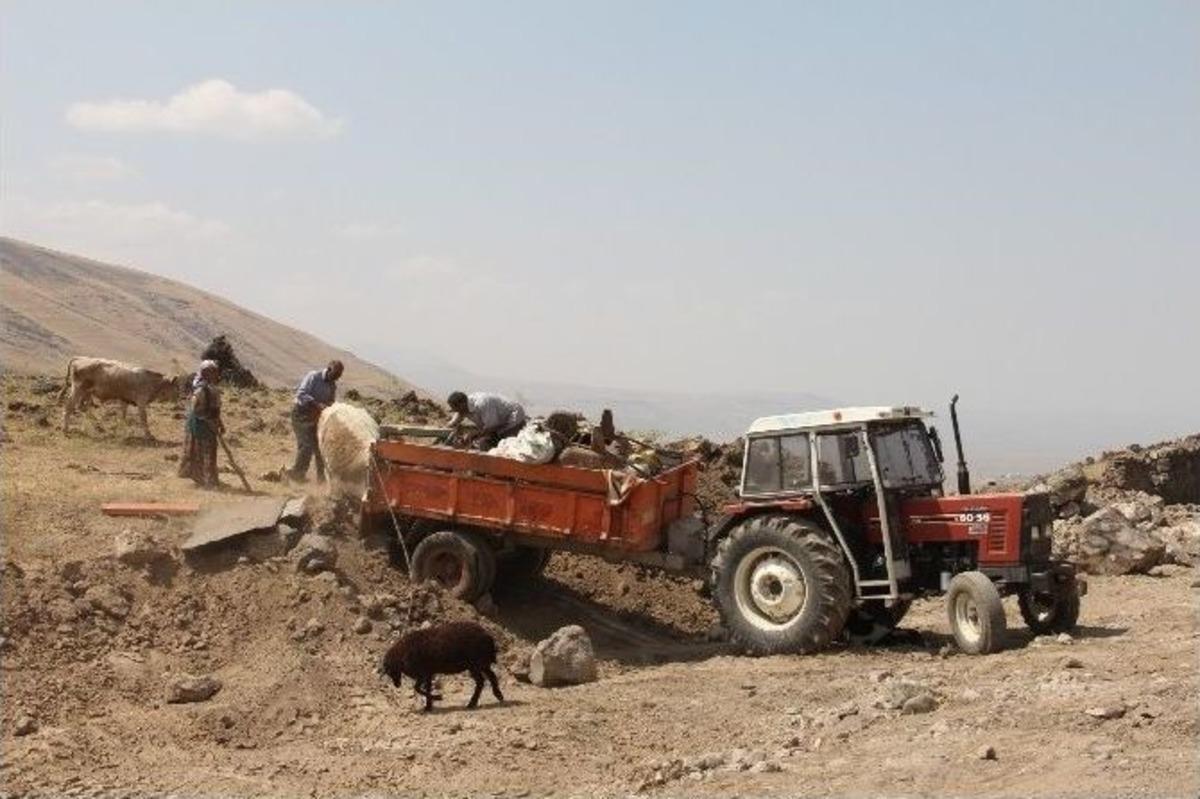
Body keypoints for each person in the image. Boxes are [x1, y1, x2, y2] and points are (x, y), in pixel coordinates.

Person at [287, 360, 343, 482]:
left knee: (321, 448)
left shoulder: (332, 385)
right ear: (329, 369)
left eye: (339, 376)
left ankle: (321, 480)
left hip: (317, 417)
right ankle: (297, 475)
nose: (337, 378)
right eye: (336, 374)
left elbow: (330, 401)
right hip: (301, 414)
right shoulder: (313, 376)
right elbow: (301, 394)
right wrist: (317, 404)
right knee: (306, 445)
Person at [178, 360, 224, 488]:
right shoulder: (200, 390)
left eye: (215, 372)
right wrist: (210, 422)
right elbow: (196, 410)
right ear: (204, 373)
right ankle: (203, 479)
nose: (214, 374)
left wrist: (220, 423)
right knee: (200, 452)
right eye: (211, 372)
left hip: (209, 424)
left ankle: (209, 478)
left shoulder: (212, 388)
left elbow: (215, 409)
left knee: (210, 452)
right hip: (199, 425)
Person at [446, 391, 527, 450]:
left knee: (500, 444)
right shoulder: (463, 407)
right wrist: (451, 424)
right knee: (481, 440)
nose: (457, 412)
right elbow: (459, 415)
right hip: (495, 422)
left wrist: (473, 435)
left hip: (512, 418)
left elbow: (491, 427)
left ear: (462, 404)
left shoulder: (483, 404)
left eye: (456, 409)